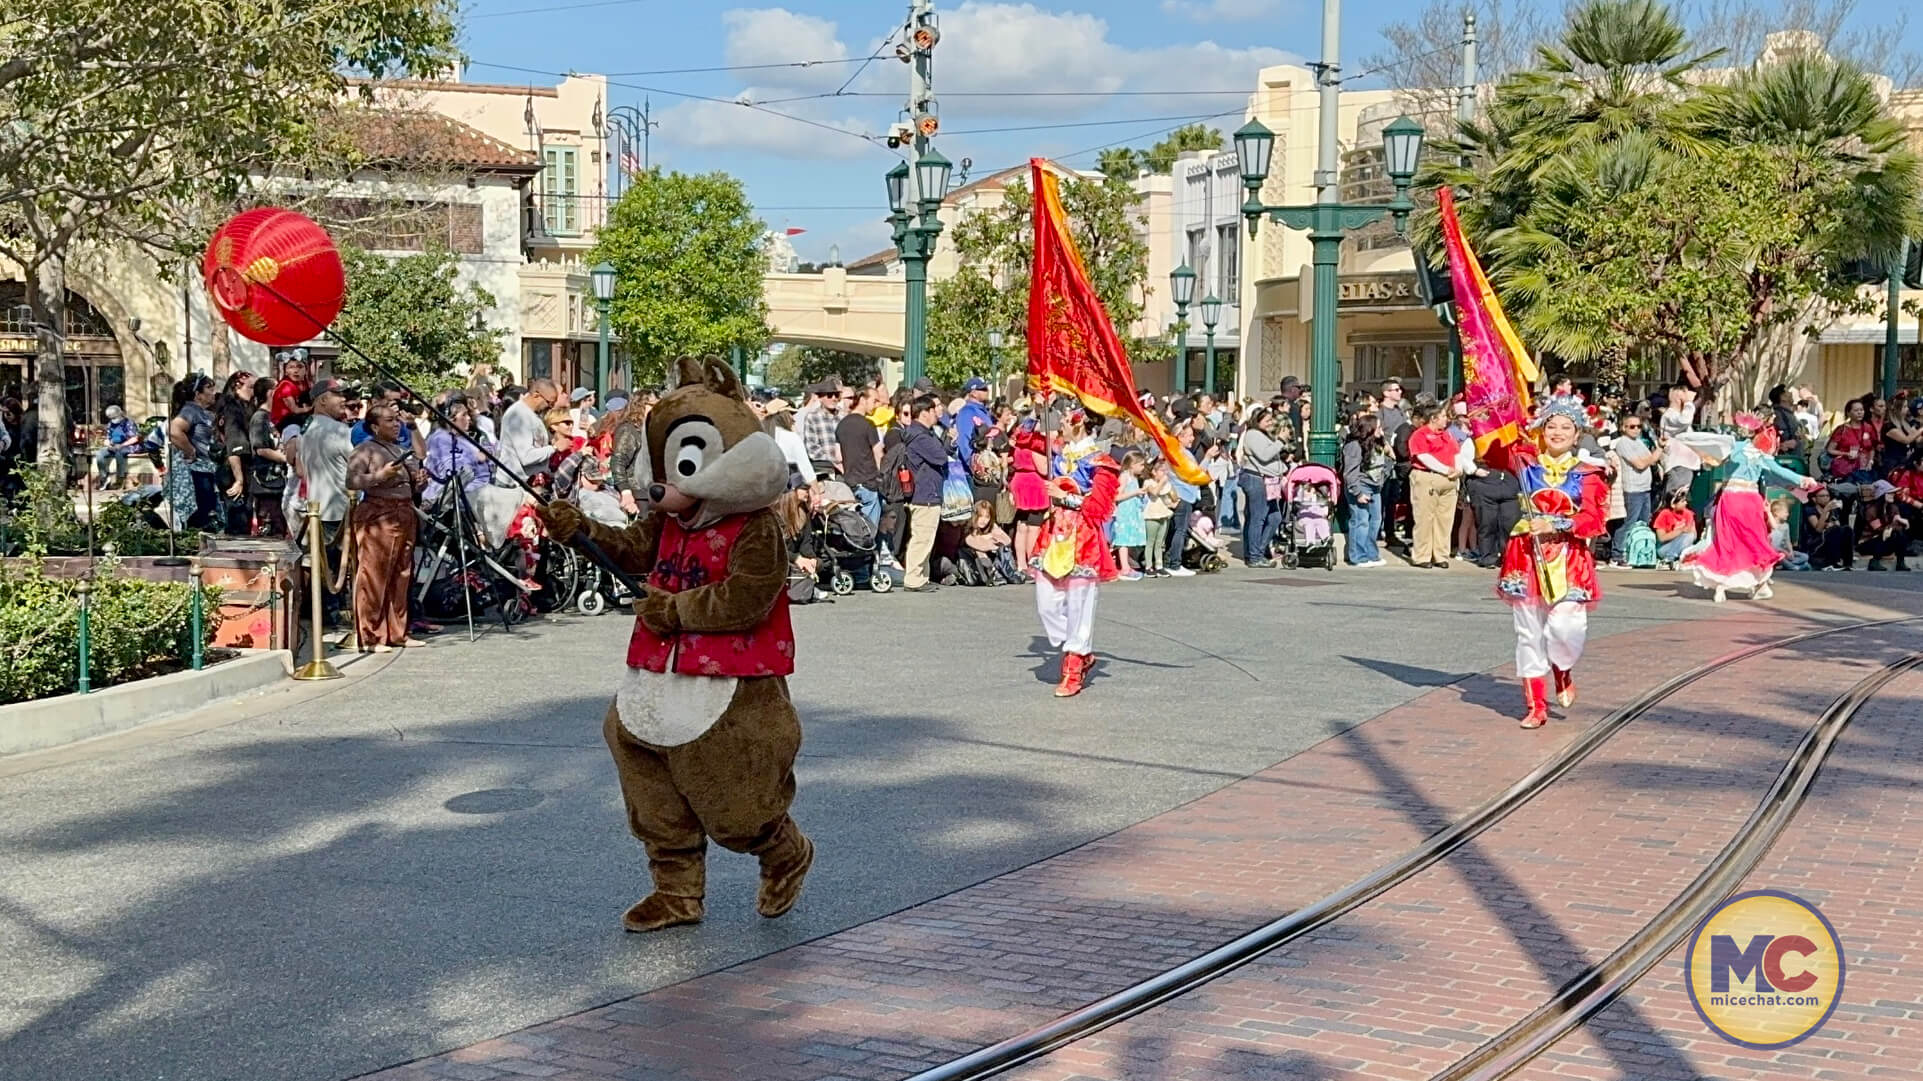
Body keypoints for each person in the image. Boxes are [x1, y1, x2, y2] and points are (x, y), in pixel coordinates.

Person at [1496, 395, 1610, 729]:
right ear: (1541, 431)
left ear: (1578, 435)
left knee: (1564, 627)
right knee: (1529, 632)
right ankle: (1535, 707)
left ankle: (1562, 669)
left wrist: (1557, 523)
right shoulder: (1525, 463)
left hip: (1568, 559)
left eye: (1565, 427)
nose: (1557, 432)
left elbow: (1595, 520)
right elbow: (1494, 443)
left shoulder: (1587, 474)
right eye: (1551, 426)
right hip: (1525, 556)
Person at [1681, 412, 1820, 602]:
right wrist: (1803, 480)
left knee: (1727, 542)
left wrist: (1681, 437)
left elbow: (1708, 445)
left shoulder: (1732, 447)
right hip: (1749, 501)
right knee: (1753, 542)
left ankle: (1723, 585)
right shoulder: (1760, 454)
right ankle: (1758, 584)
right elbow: (1779, 471)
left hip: (1729, 500)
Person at [1031, 440, 1121, 698]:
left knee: (1080, 606)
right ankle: (1081, 649)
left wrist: (1065, 497)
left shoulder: (1100, 461)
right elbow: (1027, 439)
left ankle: (1074, 660)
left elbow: (1098, 509)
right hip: (1055, 536)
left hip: (1083, 540)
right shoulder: (1060, 453)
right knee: (1046, 604)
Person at [346, 402, 426, 652]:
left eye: (396, 419)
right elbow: (352, 480)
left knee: (401, 574)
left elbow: (413, 486)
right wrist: (379, 476)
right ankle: (371, 635)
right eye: (389, 420)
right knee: (375, 574)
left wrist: (418, 482)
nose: (396, 424)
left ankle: (397, 632)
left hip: (404, 513)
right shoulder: (365, 450)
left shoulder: (399, 448)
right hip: (378, 514)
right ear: (374, 426)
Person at [900, 395, 948, 592]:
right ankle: (913, 578)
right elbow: (940, 456)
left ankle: (921, 576)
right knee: (922, 537)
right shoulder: (920, 436)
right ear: (924, 413)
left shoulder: (921, 434)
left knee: (926, 537)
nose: (937, 413)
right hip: (925, 494)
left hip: (926, 493)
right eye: (933, 409)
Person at [1407, 401, 1462, 569]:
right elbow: (1424, 457)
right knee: (1424, 518)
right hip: (1427, 477)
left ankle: (1440, 555)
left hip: (1449, 481)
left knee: (1445, 519)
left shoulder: (1447, 435)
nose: (1446, 419)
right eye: (1443, 416)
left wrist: (1458, 469)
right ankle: (1422, 556)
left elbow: (1456, 452)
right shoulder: (1420, 435)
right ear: (1433, 418)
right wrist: (1446, 469)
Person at [164, 374, 220, 530]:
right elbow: (174, 430)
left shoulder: (202, 412)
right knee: (200, 519)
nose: (213, 392)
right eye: (209, 388)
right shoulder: (191, 410)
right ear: (198, 394)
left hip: (205, 471)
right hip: (195, 473)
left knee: (207, 516)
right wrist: (190, 451)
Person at [1235, 407, 1288, 568]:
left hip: (1269, 480)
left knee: (1274, 517)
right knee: (1258, 518)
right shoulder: (1252, 435)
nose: (1270, 422)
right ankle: (1254, 556)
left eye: (1271, 419)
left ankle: (1258, 549)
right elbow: (1264, 455)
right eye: (1267, 420)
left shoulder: (1264, 435)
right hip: (1256, 479)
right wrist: (1281, 441)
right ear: (1257, 421)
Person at [1340, 412, 1390, 568]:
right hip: (1361, 485)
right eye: (1378, 427)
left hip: (1375, 485)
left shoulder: (1377, 443)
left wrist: (1384, 476)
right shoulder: (1354, 446)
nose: (1381, 431)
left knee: (1375, 520)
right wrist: (1358, 492)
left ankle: (1371, 553)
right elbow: (1350, 472)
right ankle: (1358, 556)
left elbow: (1386, 461)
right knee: (1361, 521)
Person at [1610, 415, 1661, 565]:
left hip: (1645, 488)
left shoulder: (1639, 442)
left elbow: (1649, 460)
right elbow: (1640, 464)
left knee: (1643, 523)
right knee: (1628, 523)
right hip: (1632, 489)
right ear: (1623, 428)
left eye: (1639, 426)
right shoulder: (1623, 443)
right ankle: (1617, 555)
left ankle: (1637, 553)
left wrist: (1654, 455)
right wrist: (1655, 454)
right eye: (1632, 426)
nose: (1636, 429)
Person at [834, 386, 883, 524]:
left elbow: (838, 457)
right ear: (862, 399)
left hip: (850, 483)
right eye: (874, 401)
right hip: (869, 482)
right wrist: (881, 476)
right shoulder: (868, 424)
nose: (877, 405)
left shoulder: (841, 425)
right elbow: (878, 453)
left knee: (856, 528)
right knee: (870, 528)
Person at [495, 378, 557, 486]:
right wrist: (554, 448)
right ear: (536, 395)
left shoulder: (531, 414)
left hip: (526, 483)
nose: (551, 407)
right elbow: (526, 457)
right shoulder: (518, 415)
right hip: (512, 485)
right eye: (550, 403)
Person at [1855, 479, 1912, 571]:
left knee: (1899, 534)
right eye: (1889, 493)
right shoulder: (1871, 510)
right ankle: (1874, 561)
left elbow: (1898, 524)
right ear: (1882, 495)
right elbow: (1879, 529)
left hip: (1885, 540)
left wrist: (1894, 525)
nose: (1893, 495)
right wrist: (1893, 525)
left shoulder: (1892, 507)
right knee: (1890, 533)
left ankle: (1901, 563)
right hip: (1868, 543)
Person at [1110, 451, 1149, 580]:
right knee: (1123, 540)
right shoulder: (1124, 476)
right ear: (1132, 465)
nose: (1143, 468)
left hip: (1132, 512)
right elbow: (1116, 496)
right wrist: (1135, 493)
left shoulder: (1134, 478)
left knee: (1129, 539)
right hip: (1124, 512)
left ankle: (1128, 564)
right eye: (1141, 465)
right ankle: (1125, 568)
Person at [761, 399, 816, 490]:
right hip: (789, 490)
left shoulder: (760, 436)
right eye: (790, 414)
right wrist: (816, 491)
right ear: (784, 416)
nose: (793, 418)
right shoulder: (791, 437)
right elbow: (806, 469)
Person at [1825, 398, 1879, 484]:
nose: (1859, 412)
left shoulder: (1868, 428)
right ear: (1848, 413)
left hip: (1865, 468)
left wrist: (1871, 461)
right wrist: (1846, 454)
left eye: (1861, 410)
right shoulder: (1842, 430)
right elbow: (1830, 450)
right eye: (1856, 410)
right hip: (1846, 470)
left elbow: (1871, 448)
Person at [1798, 485, 1852, 570]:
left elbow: (1837, 524)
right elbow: (1818, 529)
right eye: (1822, 496)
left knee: (1847, 529)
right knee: (1834, 530)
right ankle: (1833, 562)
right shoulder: (1810, 510)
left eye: (1827, 496)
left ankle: (1848, 563)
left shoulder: (1833, 510)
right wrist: (1825, 511)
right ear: (1814, 499)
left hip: (1828, 537)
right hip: (1815, 542)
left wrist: (1832, 523)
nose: (1826, 498)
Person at [93, 405, 141, 490]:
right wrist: (108, 443)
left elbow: (135, 438)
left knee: (119, 452)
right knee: (100, 453)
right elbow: (108, 437)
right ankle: (104, 478)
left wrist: (122, 445)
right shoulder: (110, 424)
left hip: (129, 446)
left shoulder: (128, 423)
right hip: (114, 446)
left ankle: (120, 478)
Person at [1651, 488, 1698, 569]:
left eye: (1685, 500)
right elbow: (1661, 538)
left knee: (1690, 536)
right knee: (1688, 536)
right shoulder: (1664, 514)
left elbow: (1694, 536)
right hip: (1664, 548)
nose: (1686, 503)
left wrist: (1691, 529)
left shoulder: (1688, 514)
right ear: (1673, 504)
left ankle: (1675, 560)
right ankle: (1667, 560)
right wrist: (1680, 531)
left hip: (1682, 546)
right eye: (1682, 501)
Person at [954, 377, 993, 469]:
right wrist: (974, 466)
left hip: (988, 464)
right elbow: (964, 442)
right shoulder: (967, 412)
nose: (987, 391)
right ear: (973, 393)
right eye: (983, 389)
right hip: (975, 470)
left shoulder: (983, 411)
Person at [268, 350, 311, 427]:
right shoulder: (285, 385)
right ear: (286, 371)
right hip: (282, 422)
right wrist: (312, 408)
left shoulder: (304, 385)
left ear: (306, 370)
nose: (296, 371)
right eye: (291, 367)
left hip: (294, 420)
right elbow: (295, 410)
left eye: (300, 367)